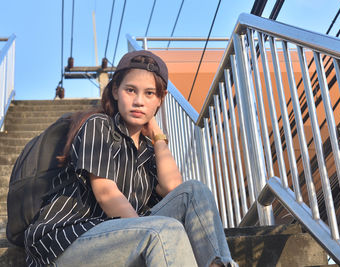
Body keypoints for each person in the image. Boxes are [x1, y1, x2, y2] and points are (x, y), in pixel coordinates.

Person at [24, 50, 237, 267]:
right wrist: (147, 230)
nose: (139, 101)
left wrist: (158, 138)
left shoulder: (149, 150)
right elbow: (106, 193)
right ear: (116, 91)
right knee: (164, 229)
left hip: (123, 238)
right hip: (69, 241)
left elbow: (174, 188)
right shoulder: (99, 125)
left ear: (160, 100)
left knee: (194, 191)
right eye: (130, 90)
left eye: (149, 94)